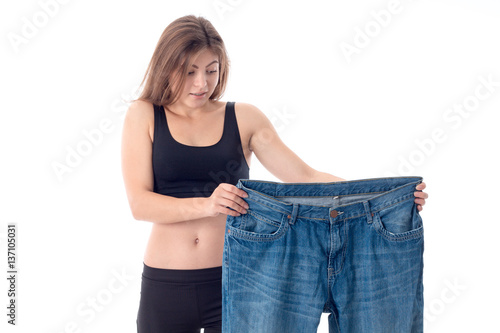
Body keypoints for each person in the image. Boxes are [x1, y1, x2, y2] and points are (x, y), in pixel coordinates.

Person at [121, 15, 428, 333]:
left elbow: (306, 177)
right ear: (166, 66)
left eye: (211, 71)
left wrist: (387, 199)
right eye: (189, 72)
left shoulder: (244, 117)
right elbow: (139, 204)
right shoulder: (144, 115)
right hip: (166, 284)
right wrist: (208, 204)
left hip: (240, 281)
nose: (202, 83)